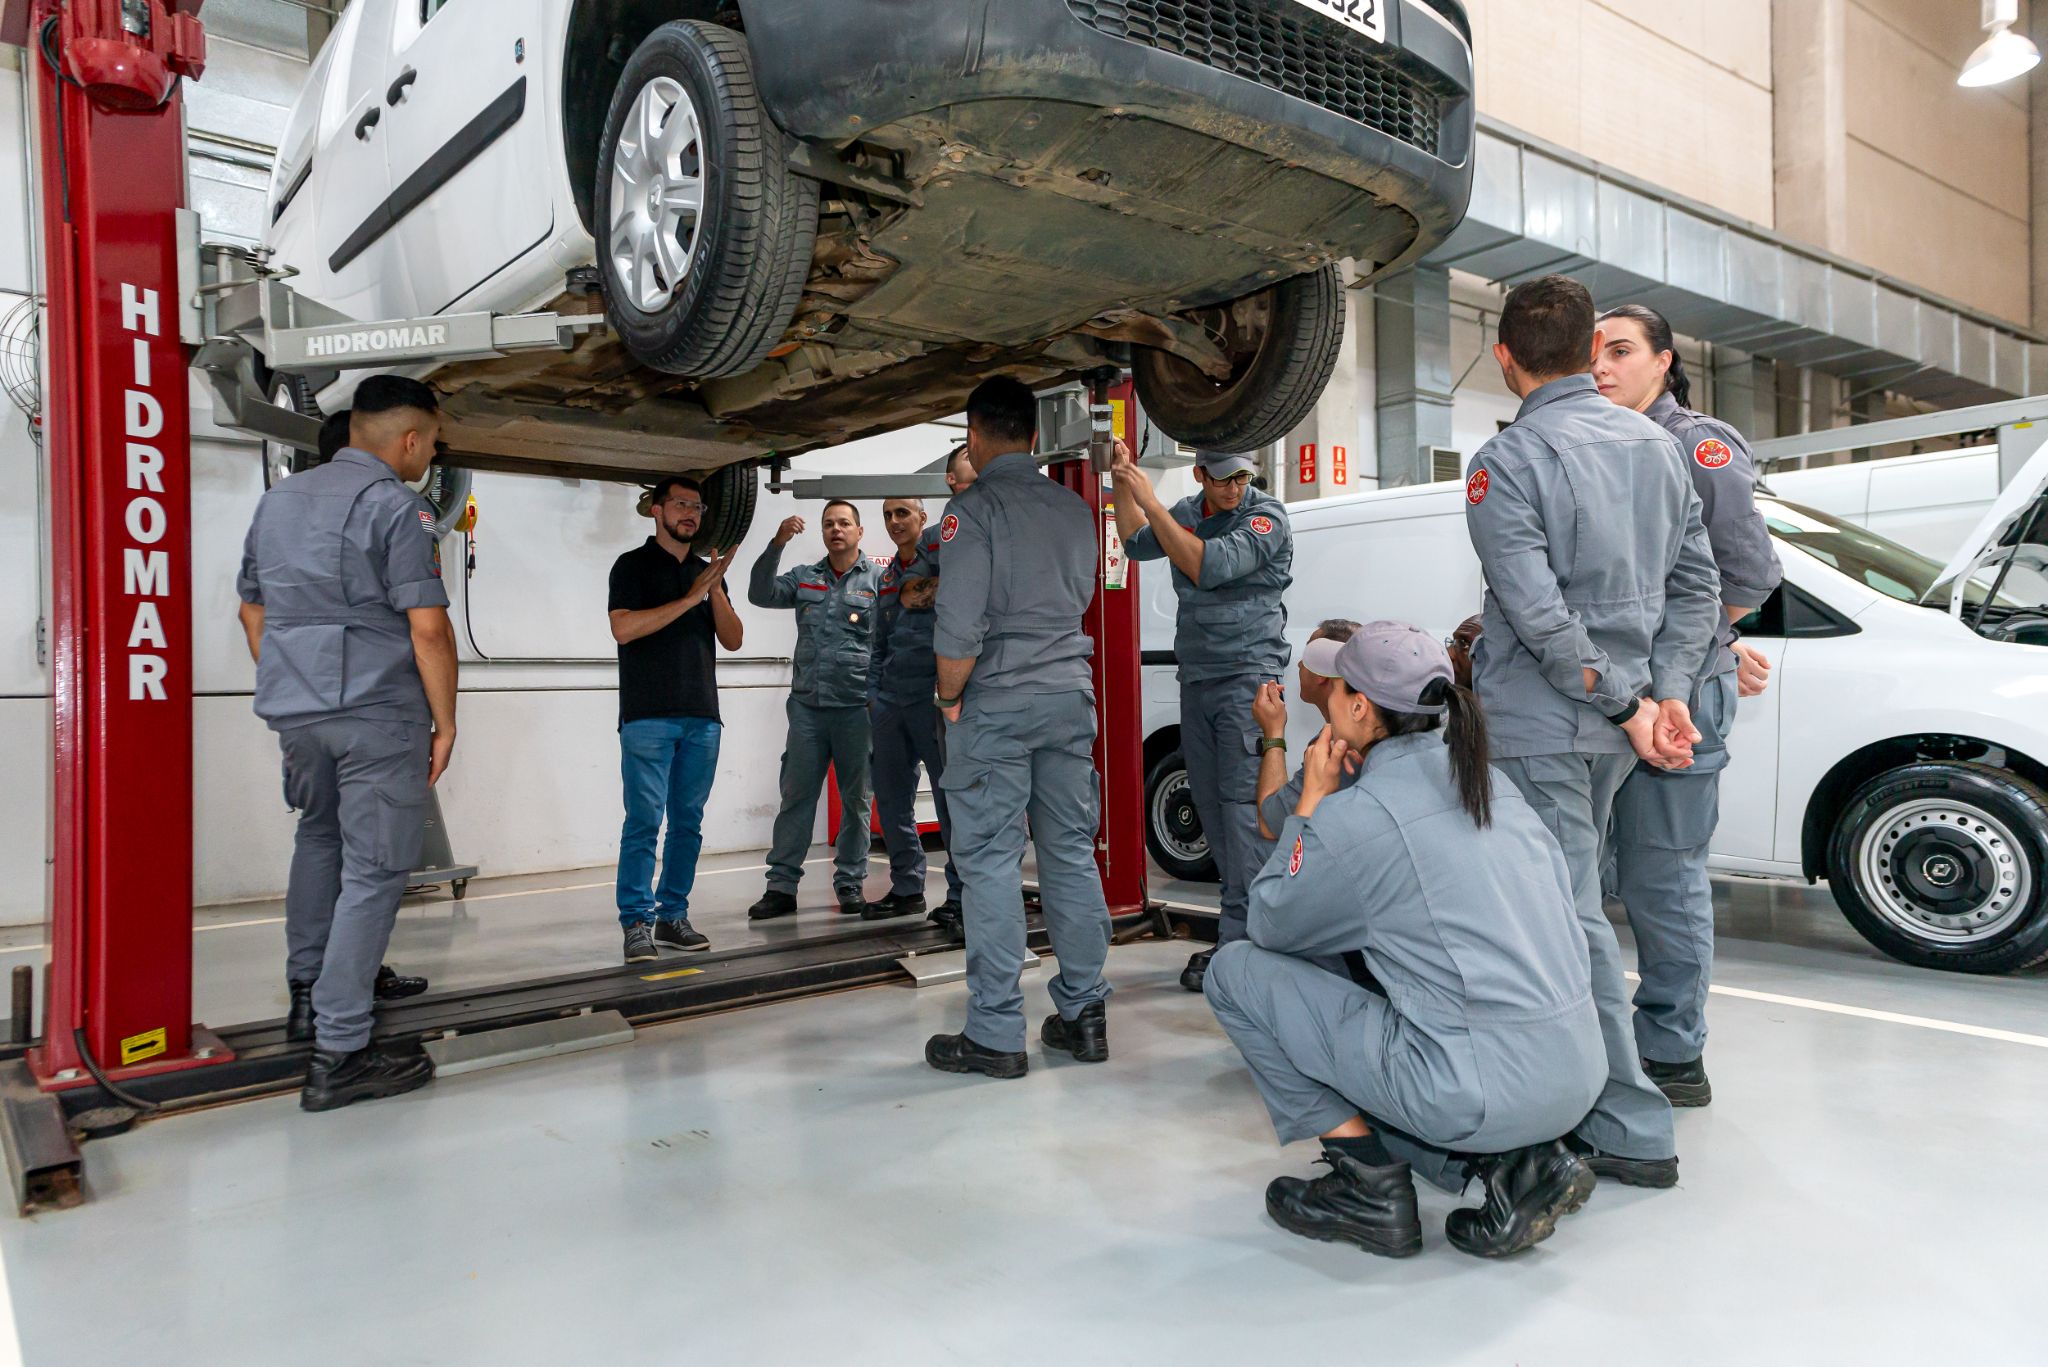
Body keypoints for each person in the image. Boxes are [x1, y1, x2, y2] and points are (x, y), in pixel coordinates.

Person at [1205, 623, 1605, 1260]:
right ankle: (1511, 1167)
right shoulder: (1493, 786)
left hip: (1472, 1091)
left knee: (1234, 972)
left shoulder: (1358, 818)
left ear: (1358, 707)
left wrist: (1309, 803)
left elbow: (1271, 924)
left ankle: (1368, 1187)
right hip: (1578, 1074)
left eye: (1334, 690)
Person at [1462, 274, 1721, 1189]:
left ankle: (1629, 1123)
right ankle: (1577, 1089)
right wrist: (1667, 693)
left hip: (1549, 728)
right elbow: (1700, 588)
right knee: (1577, 910)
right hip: (1624, 727)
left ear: (1505, 358)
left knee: (1569, 920)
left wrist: (1625, 702)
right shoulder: (1658, 449)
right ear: (1586, 355)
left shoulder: (1511, 460)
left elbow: (1538, 618)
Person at [234, 375, 456, 1113]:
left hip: (297, 712)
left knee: (319, 838)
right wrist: (445, 721)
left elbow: (251, 607)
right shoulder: (399, 508)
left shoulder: (277, 503)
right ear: (411, 438)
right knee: (375, 870)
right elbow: (426, 627)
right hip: (374, 713)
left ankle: (306, 996)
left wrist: (291, 679)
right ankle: (341, 1049)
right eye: (430, 439)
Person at [1594, 303, 1783, 1106]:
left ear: (1664, 361)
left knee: (1662, 877)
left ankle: (1673, 1053)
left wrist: (1702, 649)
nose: (1603, 365)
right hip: (1606, 697)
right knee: (1594, 872)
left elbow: (1748, 571)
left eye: (1623, 350)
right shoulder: (1594, 444)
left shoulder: (1694, 445)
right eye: (1592, 351)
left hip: (1672, 700)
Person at [925, 376, 1113, 1078]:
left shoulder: (969, 512)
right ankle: (1084, 1013)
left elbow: (957, 626)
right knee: (1067, 850)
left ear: (974, 435)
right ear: (1035, 435)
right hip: (1069, 695)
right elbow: (1087, 594)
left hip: (997, 701)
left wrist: (951, 699)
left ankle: (997, 1032)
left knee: (993, 863)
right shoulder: (1072, 507)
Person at [1113, 449, 1293, 995]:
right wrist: (1123, 482)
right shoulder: (1189, 510)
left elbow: (1205, 564)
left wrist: (1149, 499)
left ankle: (1255, 944)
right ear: (1200, 476)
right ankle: (1235, 936)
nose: (1234, 487)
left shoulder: (1266, 518)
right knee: (1214, 813)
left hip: (1246, 682)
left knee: (1245, 817)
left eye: (1241, 477)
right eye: (1222, 479)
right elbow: (1134, 542)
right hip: (1198, 681)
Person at [606, 476, 744, 963]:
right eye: (681, 504)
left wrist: (715, 589)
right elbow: (624, 629)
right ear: (656, 510)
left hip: (702, 716)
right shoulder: (632, 566)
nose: (691, 513)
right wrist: (688, 599)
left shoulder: (709, 573)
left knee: (688, 822)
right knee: (644, 822)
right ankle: (637, 923)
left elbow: (733, 640)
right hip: (648, 716)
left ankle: (673, 915)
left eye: (697, 506)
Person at [746, 501, 883, 919]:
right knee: (796, 797)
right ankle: (781, 888)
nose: (835, 529)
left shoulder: (880, 580)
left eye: (844, 523)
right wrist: (777, 544)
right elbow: (760, 593)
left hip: (857, 709)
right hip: (808, 709)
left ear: (859, 531)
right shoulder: (806, 578)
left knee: (857, 802)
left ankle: (849, 884)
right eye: (828, 524)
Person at [864, 496, 962, 924]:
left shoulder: (942, 552)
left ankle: (961, 896)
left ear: (923, 517)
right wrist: (873, 694)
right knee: (891, 798)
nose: (894, 521)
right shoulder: (886, 577)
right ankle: (907, 888)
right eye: (887, 515)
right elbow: (878, 641)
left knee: (950, 799)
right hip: (890, 699)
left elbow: (963, 593)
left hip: (934, 697)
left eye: (902, 512)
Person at [1252, 619, 1360, 844]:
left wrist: (1273, 733)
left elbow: (1271, 825)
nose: (1300, 664)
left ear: (1321, 674)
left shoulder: (1336, 747)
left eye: (1308, 654)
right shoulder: (1366, 732)